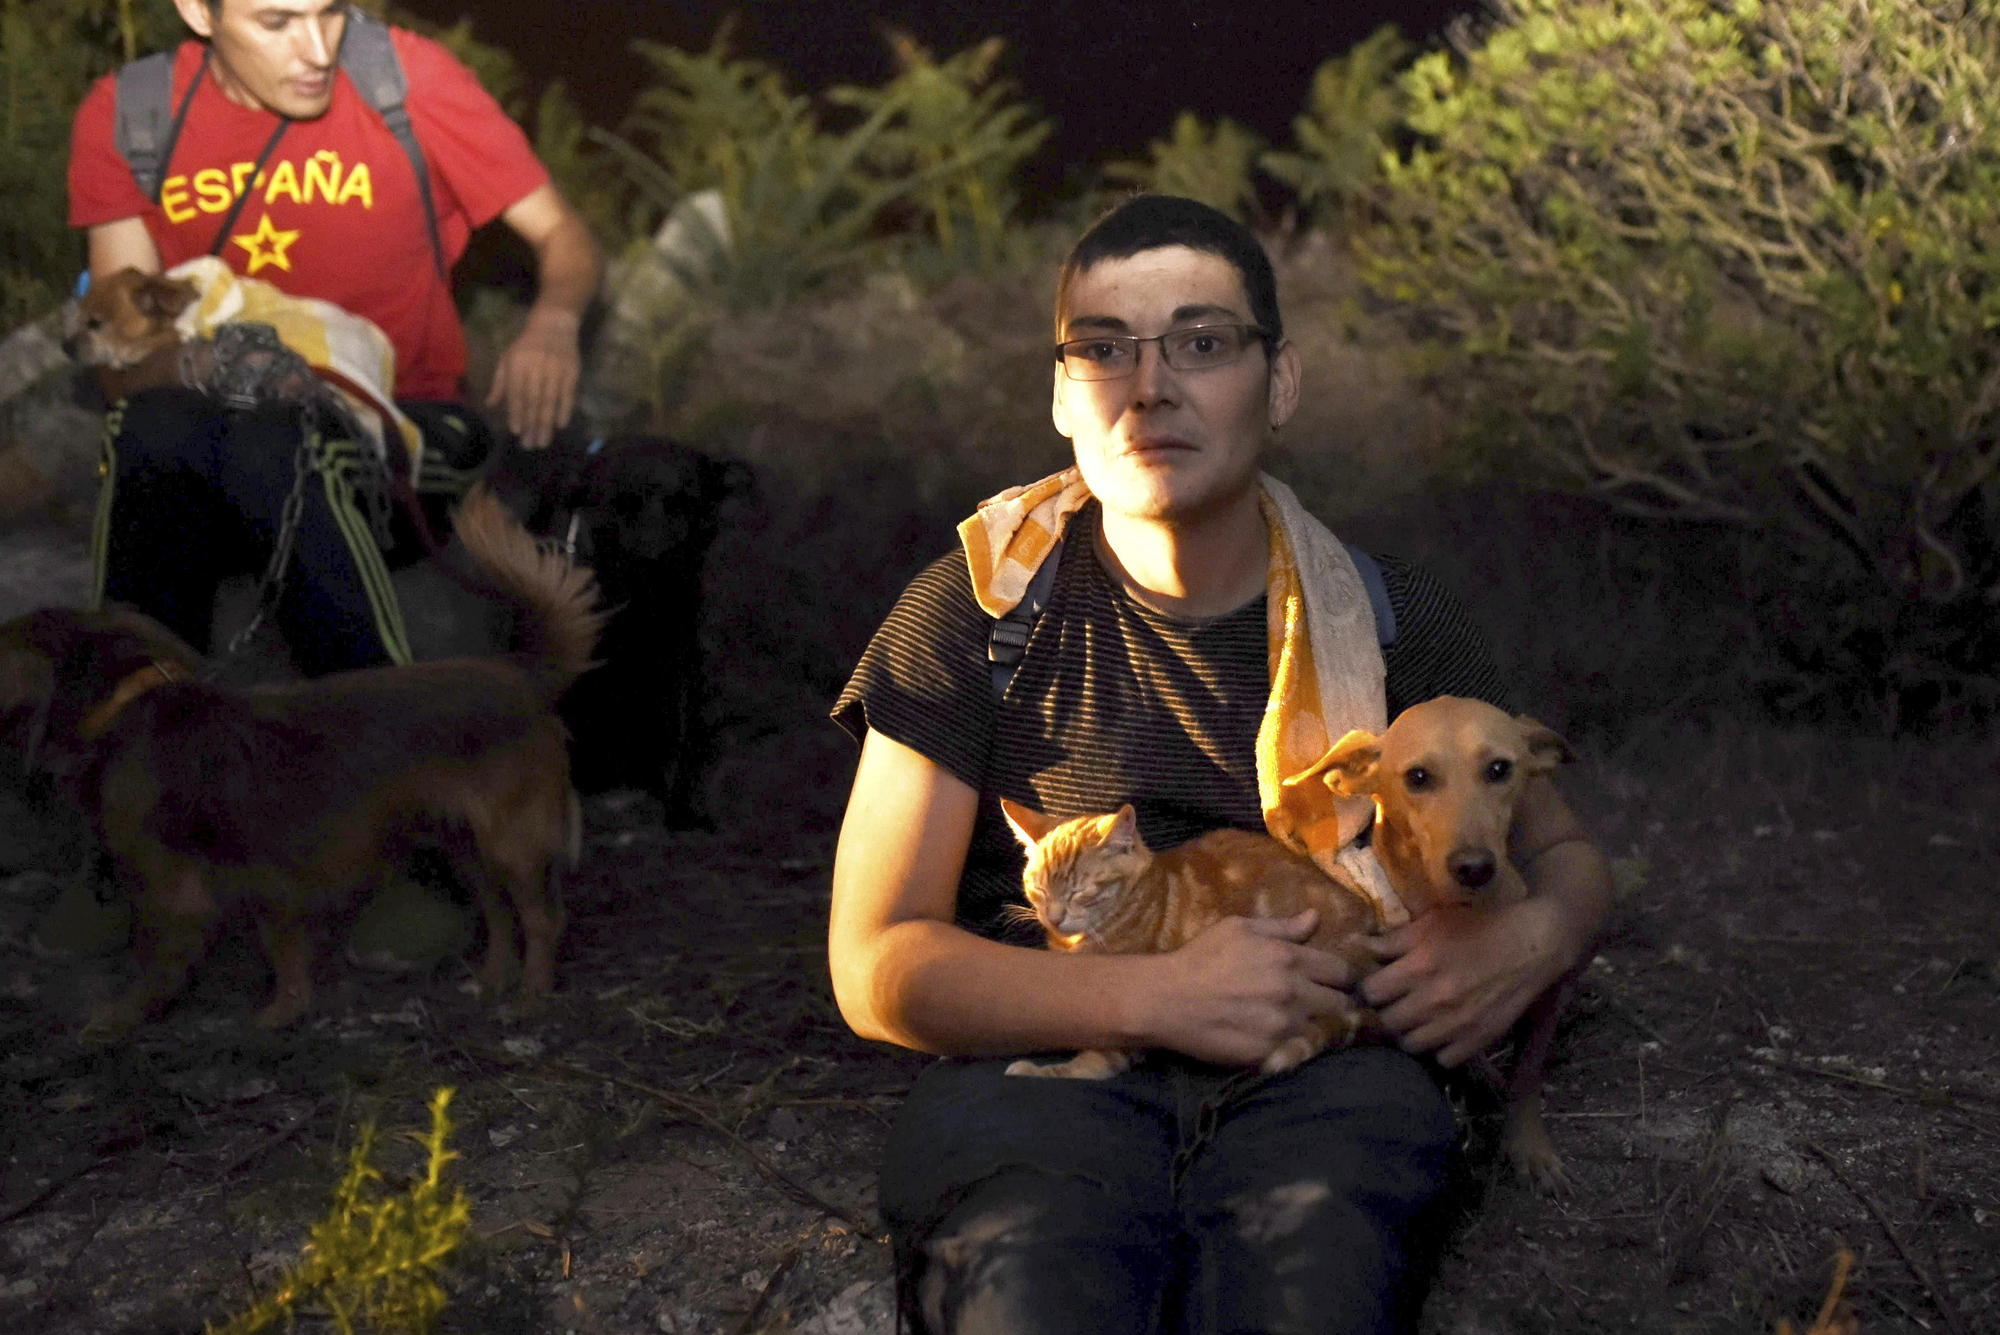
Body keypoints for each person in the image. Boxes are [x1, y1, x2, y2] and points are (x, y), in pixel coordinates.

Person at [828, 195, 1612, 1333]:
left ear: (1279, 383)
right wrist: (1158, 997)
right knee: (1036, 1295)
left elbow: (1562, 854)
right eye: (1102, 350)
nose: (1147, 389)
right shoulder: (975, 607)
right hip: (1054, 1054)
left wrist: (1535, 936)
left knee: (1308, 1289)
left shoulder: (1392, 622)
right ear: (1062, 394)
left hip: (1330, 1062)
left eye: (1200, 344)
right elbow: (874, 961)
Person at [42, 0, 602, 959]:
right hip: (218, 433)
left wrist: (554, 317)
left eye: (332, 11)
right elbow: (122, 353)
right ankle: (131, 844)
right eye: (276, 21)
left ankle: (412, 846)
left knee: (273, 446)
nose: (316, 49)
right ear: (196, 11)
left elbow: (562, 236)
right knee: (155, 427)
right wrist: (221, 372)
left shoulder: (407, 80)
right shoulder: (133, 112)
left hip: (403, 423)